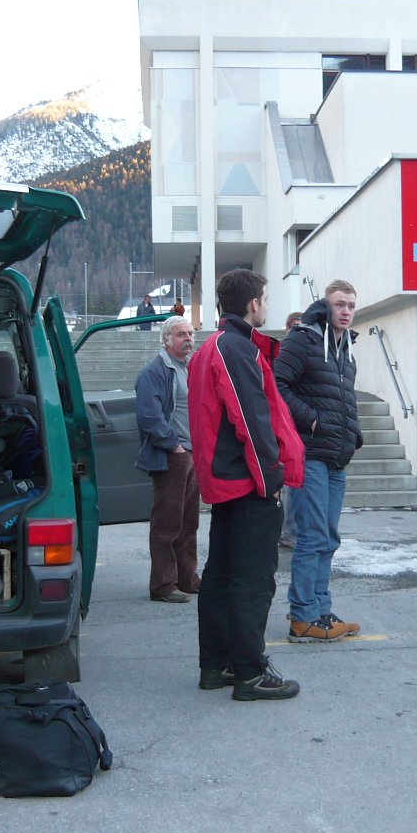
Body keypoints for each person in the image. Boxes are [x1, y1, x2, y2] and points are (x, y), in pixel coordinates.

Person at [189, 269, 305, 701]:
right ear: (253, 303)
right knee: (252, 580)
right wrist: (271, 480)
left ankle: (216, 665)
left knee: (222, 576)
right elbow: (250, 420)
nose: (267, 306)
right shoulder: (234, 348)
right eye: (266, 299)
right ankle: (250, 673)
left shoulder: (215, 346)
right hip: (247, 484)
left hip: (229, 483)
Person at [275, 280, 362, 643]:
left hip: (336, 457)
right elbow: (277, 385)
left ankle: (321, 610)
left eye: (351, 306)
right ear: (325, 306)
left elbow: (343, 397)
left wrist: (354, 433)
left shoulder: (346, 348)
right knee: (311, 536)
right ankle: (302, 617)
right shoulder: (303, 340)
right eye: (340, 304)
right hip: (310, 454)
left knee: (328, 537)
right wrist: (312, 420)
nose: (346, 311)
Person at [135, 316, 200, 604]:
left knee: (189, 523)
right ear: (166, 339)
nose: (188, 339)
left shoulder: (190, 368)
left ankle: (187, 578)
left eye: (191, 334)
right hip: (172, 456)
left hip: (191, 454)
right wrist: (174, 446)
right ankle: (162, 585)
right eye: (181, 334)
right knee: (167, 523)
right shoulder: (155, 371)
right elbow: (148, 416)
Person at [279, 311, 303, 550]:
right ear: (287, 328)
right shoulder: (282, 353)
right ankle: (288, 530)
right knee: (289, 482)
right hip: (285, 425)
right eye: (295, 327)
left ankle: (291, 529)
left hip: (298, 426)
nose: (298, 332)